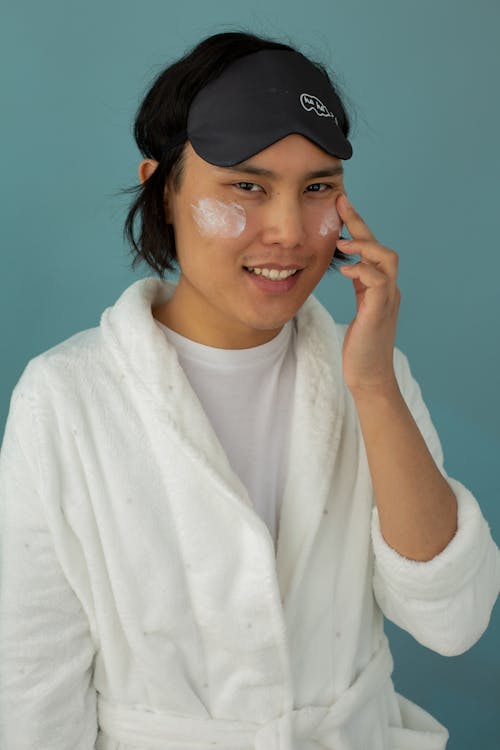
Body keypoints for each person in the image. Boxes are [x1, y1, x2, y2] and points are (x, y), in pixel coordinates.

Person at [0, 30, 499, 750]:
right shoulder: (67, 400)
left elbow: (454, 623)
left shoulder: (367, 375)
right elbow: (30, 689)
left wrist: (374, 388)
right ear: (160, 190)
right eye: (246, 187)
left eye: (317, 188)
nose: (289, 232)